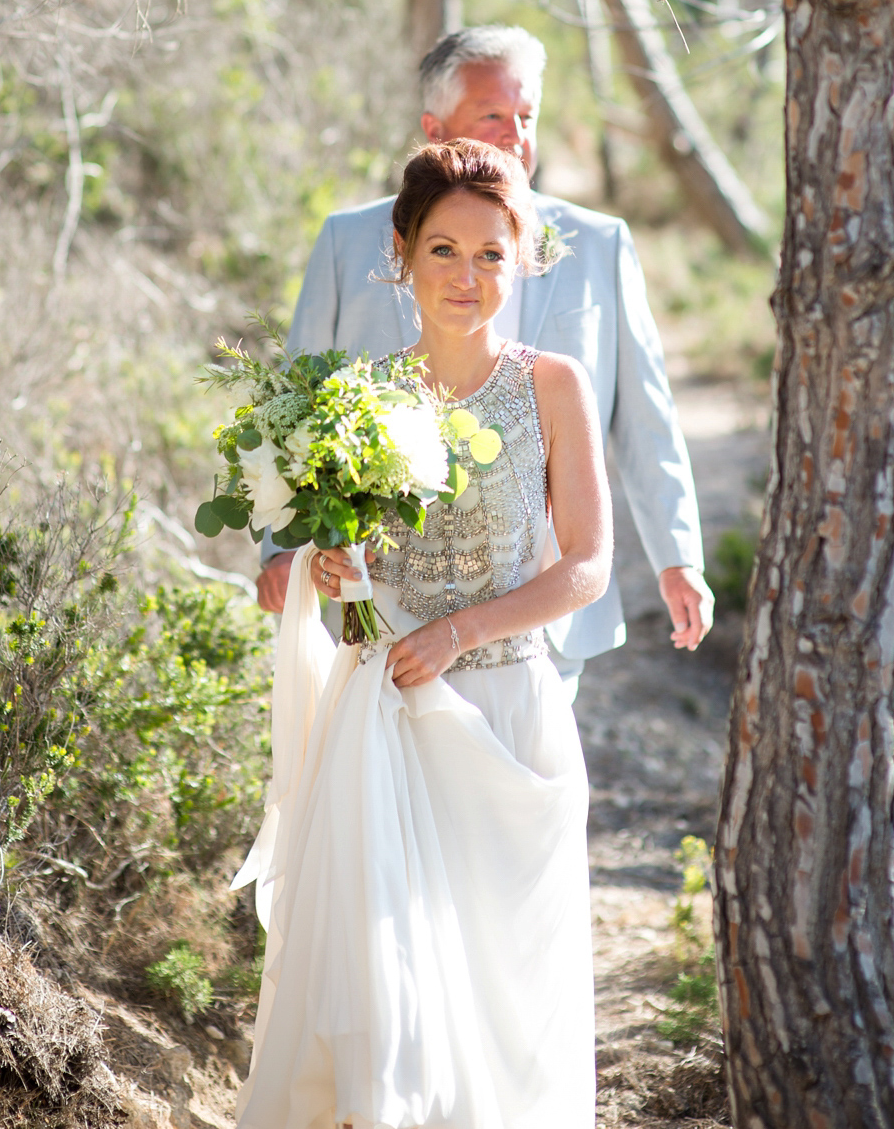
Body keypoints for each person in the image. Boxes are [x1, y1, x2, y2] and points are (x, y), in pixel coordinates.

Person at [234, 140, 611, 1129]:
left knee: (505, 1004)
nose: (466, 276)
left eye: (491, 253)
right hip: (389, 719)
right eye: (443, 250)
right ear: (400, 254)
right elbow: (356, 556)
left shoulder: (553, 386)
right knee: (390, 992)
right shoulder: (359, 399)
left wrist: (461, 631)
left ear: (523, 259)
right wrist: (335, 572)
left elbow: (586, 564)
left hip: (508, 715)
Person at [257, 25, 712, 684]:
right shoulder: (349, 241)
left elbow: (645, 415)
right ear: (434, 128)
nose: (515, 136)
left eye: (525, 116)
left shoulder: (600, 243)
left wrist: (679, 558)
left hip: (539, 616)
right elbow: (295, 408)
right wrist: (285, 550)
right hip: (386, 616)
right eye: (492, 115)